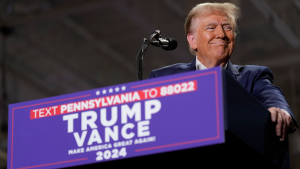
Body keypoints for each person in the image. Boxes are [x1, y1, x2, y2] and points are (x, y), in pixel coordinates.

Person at [148, 2, 298, 141]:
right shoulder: (163, 77)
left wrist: (280, 111)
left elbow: (271, 96)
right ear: (192, 40)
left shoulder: (252, 77)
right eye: (211, 28)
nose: (221, 34)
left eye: (227, 27)